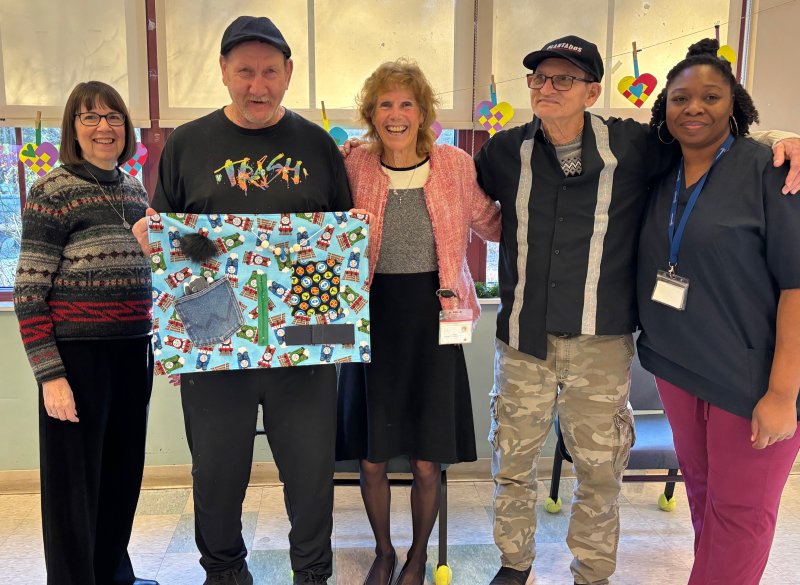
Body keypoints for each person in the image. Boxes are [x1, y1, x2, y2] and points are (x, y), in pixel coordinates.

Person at [473, 35, 800, 585]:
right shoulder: (503, 152)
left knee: (601, 473)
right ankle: (514, 564)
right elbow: (449, 187)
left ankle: (593, 574)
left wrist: (783, 138)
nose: (548, 88)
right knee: (512, 465)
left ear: (593, 91)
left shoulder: (636, 146)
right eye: (539, 79)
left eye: (564, 80)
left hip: (601, 347)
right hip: (522, 343)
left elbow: (711, 137)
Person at [132, 16, 351, 585]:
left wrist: (359, 234)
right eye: (246, 71)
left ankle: (312, 574)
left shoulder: (319, 146)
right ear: (225, 73)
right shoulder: (186, 144)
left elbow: (342, 244)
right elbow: (169, 239)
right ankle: (225, 573)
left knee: (309, 472)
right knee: (218, 471)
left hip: (308, 331)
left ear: (289, 74)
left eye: (271, 72)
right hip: (213, 335)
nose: (259, 84)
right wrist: (154, 237)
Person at [636, 39, 800, 585]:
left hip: (750, 376)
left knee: (741, 516)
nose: (694, 107)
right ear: (665, 109)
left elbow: (797, 286)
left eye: (710, 96)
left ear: (735, 104)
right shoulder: (661, 172)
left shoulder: (770, 170)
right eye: (680, 98)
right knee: (706, 498)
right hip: (678, 367)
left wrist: (782, 394)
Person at [335, 59, 500, 585]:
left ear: (424, 112)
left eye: (407, 103)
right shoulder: (353, 164)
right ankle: (383, 552)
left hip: (436, 318)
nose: (396, 114)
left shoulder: (454, 164)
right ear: (371, 113)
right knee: (373, 456)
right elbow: (319, 222)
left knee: (429, 459)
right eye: (385, 103)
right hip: (371, 318)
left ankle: (417, 554)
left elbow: (494, 222)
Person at [13, 81, 156, 585]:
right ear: (72, 128)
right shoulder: (52, 191)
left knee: (121, 476)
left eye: (113, 117)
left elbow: (159, 263)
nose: (104, 127)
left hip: (133, 350)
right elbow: (29, 291)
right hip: (78, 358)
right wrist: (50, 376)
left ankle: (113, 573)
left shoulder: (133, 188)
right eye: (90, 117)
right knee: (74, 488)